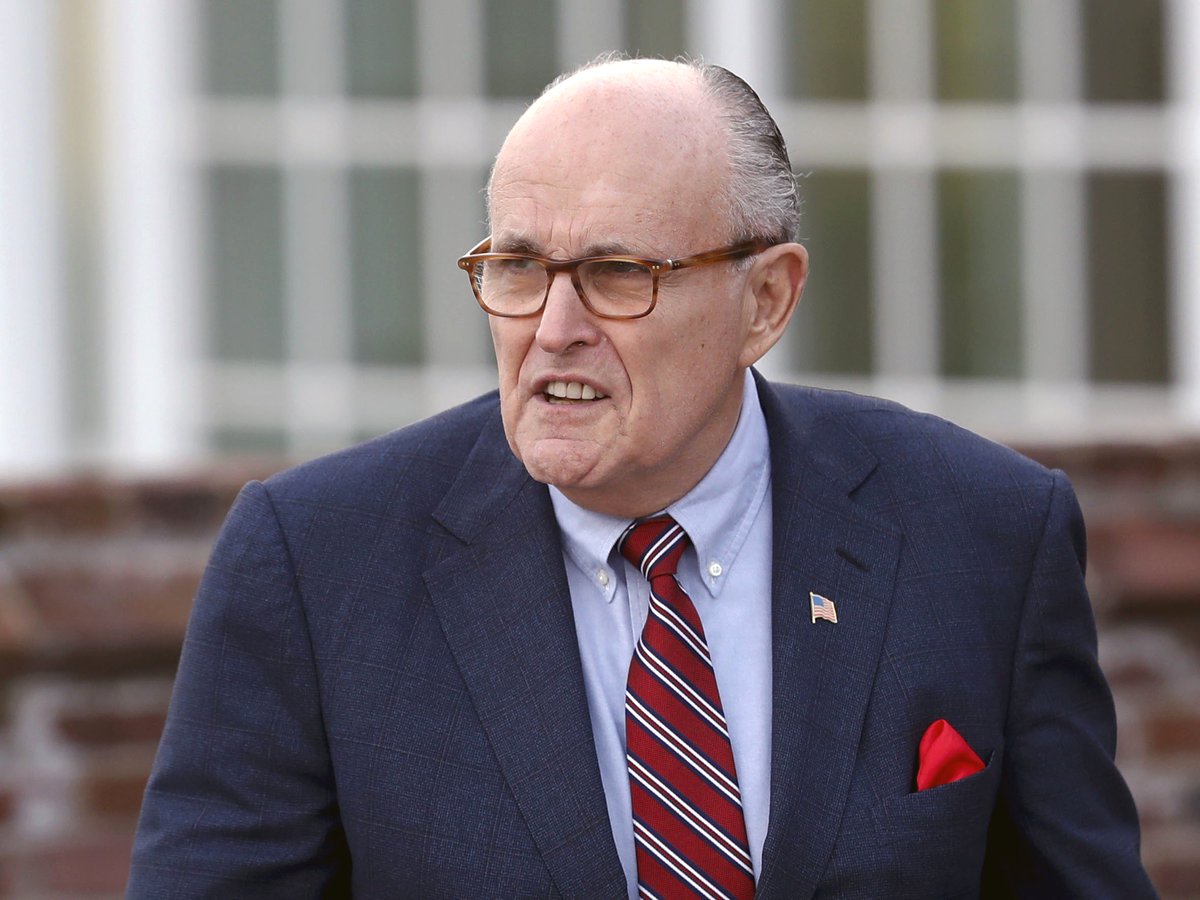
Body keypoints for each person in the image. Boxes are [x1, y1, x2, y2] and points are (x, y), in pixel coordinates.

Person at [127, 56, 1157, 898]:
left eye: (618, 274)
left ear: (766, 300)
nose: (553, 330)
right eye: (519, 268)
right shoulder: (316, 565)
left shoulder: (985, 533)